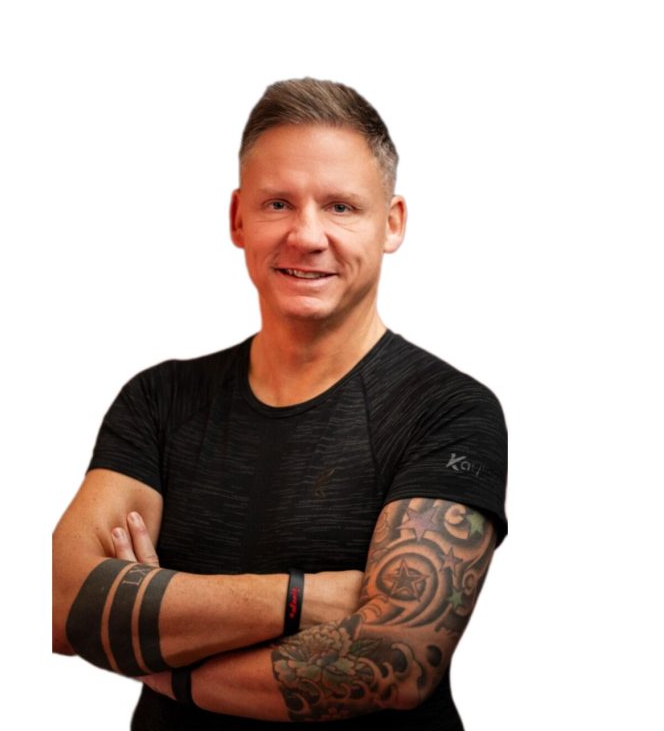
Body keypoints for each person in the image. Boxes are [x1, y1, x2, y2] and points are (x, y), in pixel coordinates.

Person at [52, 77, 508, 730]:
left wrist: (161, 652)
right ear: (238, 218)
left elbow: (395, 660)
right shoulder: (159, 400)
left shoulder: (449, 410)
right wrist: (305, 599)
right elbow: (60, 600)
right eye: (278, 204)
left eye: (341, 206)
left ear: (392, 223)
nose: (307, 235)